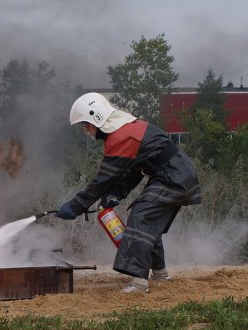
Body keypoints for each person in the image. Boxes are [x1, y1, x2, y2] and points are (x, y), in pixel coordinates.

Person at [55, 92, 201, 293]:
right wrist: (116, 194)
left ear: (96, 118)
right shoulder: (126, 128)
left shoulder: (120, 137)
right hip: (175, 174)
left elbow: (101, 181)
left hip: (174, 177)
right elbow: (136, 169)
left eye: (85, 125)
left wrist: (75, 206)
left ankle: (139, 283)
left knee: (141, 217)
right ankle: (160, 273)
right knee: (149, 221)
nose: (86, 131)